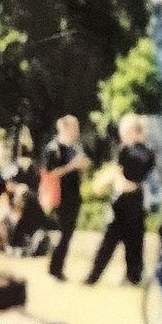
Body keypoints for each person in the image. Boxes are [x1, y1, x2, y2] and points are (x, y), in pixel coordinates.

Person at [84, 113, 155, 286]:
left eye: (124, 130)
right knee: (133, 242)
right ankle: (132, 277)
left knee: (111, 241)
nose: (122, 134)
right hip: (133, 200)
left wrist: (110, 182)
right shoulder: (149, 153)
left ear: (131, 130)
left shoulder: (128, 151)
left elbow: (120, 175)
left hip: (123, 201)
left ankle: (94, 277)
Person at [42, 113, 89, 280]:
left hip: (74, 196)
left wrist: (82, 167)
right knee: (62, 233)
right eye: (74, 128)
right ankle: (54, 269)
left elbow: (79, 172)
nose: (77, 131)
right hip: (59, 197)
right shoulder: (53, 148)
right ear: (65, 128)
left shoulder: (75, 149)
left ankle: (58, 268)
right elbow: (50, 173)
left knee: (68, 234)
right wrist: (72, 166)